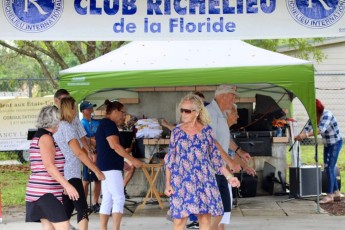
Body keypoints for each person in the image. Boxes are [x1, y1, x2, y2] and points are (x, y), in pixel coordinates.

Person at [164, 93, 240, 230]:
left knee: (205, 220)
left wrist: (229, 177)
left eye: (186, 111)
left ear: (197, 112)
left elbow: (216, 159)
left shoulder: (207, 132)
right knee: (179, 221)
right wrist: (167, 184)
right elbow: (170, 159)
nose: (183, 114)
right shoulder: (176, 132)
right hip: (181, 182)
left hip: (204, 181)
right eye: (181, 110)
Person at [53, 96, 105, 230]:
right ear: (69, 109)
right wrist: (96, 170)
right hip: (70, 174)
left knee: (66, 210)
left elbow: (80, 149)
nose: (76, 111)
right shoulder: (66, 127)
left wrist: (89, 151)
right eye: (74, 108)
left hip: (69, 172)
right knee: (82, 209)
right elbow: (79, 153)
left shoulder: (61, 126)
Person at [25, 105, 79, 230]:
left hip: (42, 191)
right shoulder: (46, 138)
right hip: (45, 192)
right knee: (64, 226)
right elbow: (49, 165)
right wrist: (67, 185)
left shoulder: (41, 135)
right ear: (54, 120)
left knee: (49, 227)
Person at [206, 85, 251, 230]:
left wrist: (239, 151)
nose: (234, 99)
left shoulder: (220, 114)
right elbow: (212, 142)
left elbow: (225, 139)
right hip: (212, 170)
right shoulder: (210, 113)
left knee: (223, 210)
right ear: (223, 96)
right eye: (233, 96)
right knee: (218, 211)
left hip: (219, 170)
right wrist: (230, 161)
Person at [95, 99, 143, 230]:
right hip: (110, 168)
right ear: (115, 111)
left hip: (107, 166)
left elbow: (108, 149)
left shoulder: (104, 124)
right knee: (119, 198)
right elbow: (114, 146)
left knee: (108, 199)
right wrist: (132, 160)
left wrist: (122, 163)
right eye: (123, 113)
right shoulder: (109, 125)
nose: (124, 116)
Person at [295, 99, 343, 204]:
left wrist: (305, 135)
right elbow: (307, 127)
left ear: (317, 109)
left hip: (335, 143)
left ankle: (330, 195)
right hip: (327, 144)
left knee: (329, 168)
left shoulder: (327, 115)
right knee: (327, 167)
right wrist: (300, 135)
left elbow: (320, 130)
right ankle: (337, 193)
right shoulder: (314, 116)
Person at [80, 100, 102, 212]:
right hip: (87, 154)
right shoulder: (81, 123)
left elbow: (100, 137)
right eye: (88, 108)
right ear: (83, 111)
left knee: (97, 179)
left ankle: (95, 202)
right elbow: (82, 138)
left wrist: (94, 140)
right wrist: (91, 141)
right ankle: (83, 204)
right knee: (86, 180)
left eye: (91, 108)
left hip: (97, 153)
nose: (91, 110)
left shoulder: (97, 123)